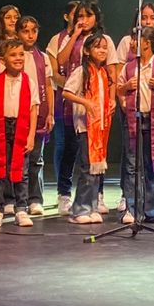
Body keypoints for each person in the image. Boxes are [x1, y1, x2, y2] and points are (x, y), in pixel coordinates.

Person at [116, 26, 154, 225]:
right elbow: (118, 90)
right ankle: (132, 209)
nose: (132, 43)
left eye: (136, 39)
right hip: (134, 120)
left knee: (153, 165)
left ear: (147, 43)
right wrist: (126, 88)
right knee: (132, 165)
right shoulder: (128, 67)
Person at [60, 30, 115, 224]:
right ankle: (79, 210)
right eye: (97, 47)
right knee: (87, 168)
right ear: (87, 51)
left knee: (97, 169)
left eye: (104, 47)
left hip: (100, 127)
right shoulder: (81, 71)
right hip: (85, 127)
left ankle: (91, 206)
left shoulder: (103, 72)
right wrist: (85, 102)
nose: (102, 50)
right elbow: (66, 92)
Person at [0, 38, 37, 228]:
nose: (18, 58)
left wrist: (31, 136)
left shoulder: (28, 82)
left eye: (21, 54)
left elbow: (33, 110)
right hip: (1, 126)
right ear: (2, 59)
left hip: (21, 127)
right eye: (13, 55)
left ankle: (21, 208)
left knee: (21, 171)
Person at [45, 0, 82, 206]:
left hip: (86, 97)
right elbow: (54, 72)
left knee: (84, 145)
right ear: (67, 16)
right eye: (75, 14)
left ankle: (91, 191)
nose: (79, 18)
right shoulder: (56, 40)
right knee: (63, 144)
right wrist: (72, 86)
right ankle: (63, 192)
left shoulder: (90, 39)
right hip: (64, 98)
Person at [17, 15, 54, 217]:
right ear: (17, 33)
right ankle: (15, 199)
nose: (30, 35)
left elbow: (49, 85)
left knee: (36, 159)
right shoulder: (14, 54)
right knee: (18, 159)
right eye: (25, 31)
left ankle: (35, 199)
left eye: (34, 30)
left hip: (39, 114)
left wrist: (50, 113)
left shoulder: (43, 57)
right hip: (18, 112)